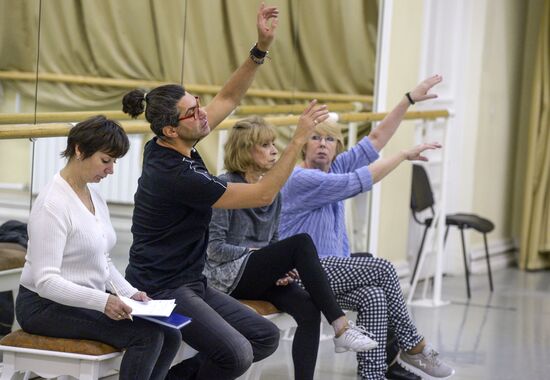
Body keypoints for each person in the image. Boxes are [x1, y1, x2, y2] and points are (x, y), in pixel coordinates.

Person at [120, 4, 344, 379]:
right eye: (192, 112)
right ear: (171, 130)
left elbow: (228, 99)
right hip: (160, 288)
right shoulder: (175, 174)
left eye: (196, 104)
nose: (203, 113)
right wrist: (296, 141)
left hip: (192, 281)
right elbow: (261, 196)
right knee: (237, 353)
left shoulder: (171, 142)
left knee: (264, 337)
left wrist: (260, 49)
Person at [279, 75, 455, 380]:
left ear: (336, 147)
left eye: (329, 139)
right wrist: (401, 156)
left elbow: (374, 140)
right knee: (383, 268)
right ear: (303, 144)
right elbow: (356, 182)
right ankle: (414, 345)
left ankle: (373, 375)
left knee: (374, 295)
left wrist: (408, 100)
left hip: (331, 273)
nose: (322, 145)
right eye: (316, 138)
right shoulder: (300, 179)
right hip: (304, 274)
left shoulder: (334, 167)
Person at [204, 117, 379, 380]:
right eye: (265, 145)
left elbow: (273, 241)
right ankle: (341, 326)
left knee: (309, 309)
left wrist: (280, 268)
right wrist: (259, 256)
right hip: (227, 277)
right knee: (302, 241)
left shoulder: (273, 190)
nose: (274, 150)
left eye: (274, 143)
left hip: (257, 273)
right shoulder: (224, 186)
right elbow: (215, 250)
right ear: (245, 150)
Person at [15, 116, 181, 380]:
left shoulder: (92, 194)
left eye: (114, 162)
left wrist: (131, 293)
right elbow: (46, 282)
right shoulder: (52, 204)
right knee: (146, 336)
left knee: (170, 334)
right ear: (80, 150)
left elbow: (102, 259)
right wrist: (103, 301)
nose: (111, 170)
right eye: (106, 160)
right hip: (42, 306)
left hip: (81, 298)